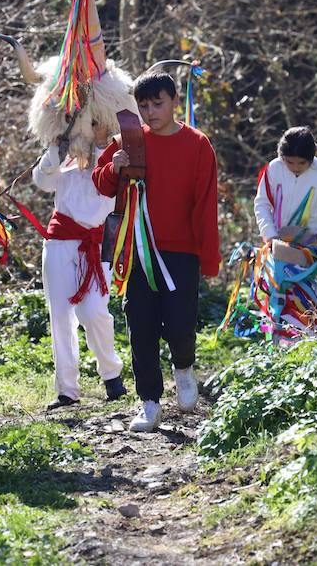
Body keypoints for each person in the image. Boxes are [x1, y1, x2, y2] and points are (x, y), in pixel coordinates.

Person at [92, 71, 220, 433]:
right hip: (136, 251)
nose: (149, 112)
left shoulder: (197, 144)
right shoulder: (129, 140)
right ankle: (149, 401)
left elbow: (205, 203)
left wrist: (207, 256)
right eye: (143, 105)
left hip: (181, 252)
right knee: (141, 327)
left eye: (157, 103)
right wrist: (113, 168)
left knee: (180, 325)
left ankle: (183, 367)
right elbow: (101, 184)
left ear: (174, 99)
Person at [33, 120, 128, 411]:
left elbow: (111, 188)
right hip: (60, 239)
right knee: (60, 314)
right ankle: (67, 390)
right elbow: (43, 181)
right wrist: (56, 148)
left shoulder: (118, 150)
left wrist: (101, 143)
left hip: (99, 241)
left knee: (93, 310)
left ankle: (111, 372)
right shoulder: (66, 150)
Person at [254, 126, 317, 248]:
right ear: (282, 157)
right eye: (290, 162)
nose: (295, 167)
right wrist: (270, 234)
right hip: (276, 241)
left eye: (301, 163)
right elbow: (262, 204)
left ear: (311, 159)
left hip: (312, 245)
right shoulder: (274, 169)